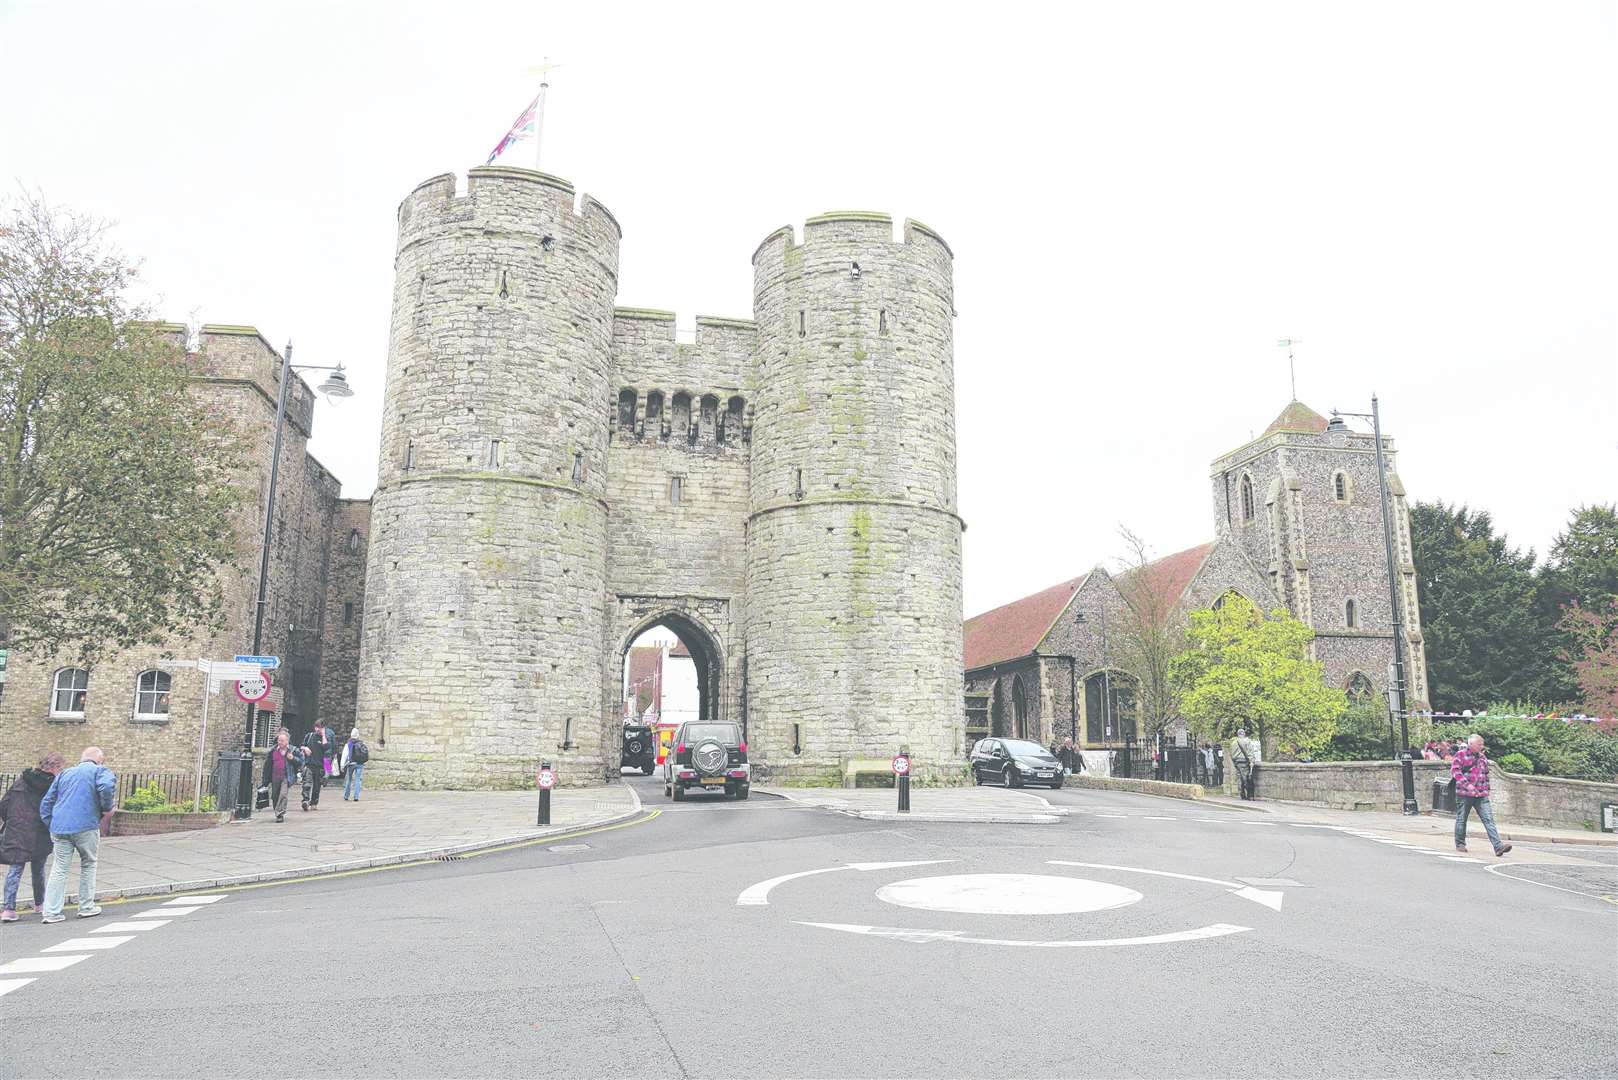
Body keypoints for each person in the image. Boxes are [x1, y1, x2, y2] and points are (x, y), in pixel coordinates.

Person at [39, 747, 117, 923]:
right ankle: (86, 907)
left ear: (82, 759)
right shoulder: (100, 771)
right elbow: (106, 787)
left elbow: (46, 802)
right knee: (88, 863)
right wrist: (106, 808)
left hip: (60, 828)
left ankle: (51, 912)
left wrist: (51, 823)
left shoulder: (64, 774)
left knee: (59, 868)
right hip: (85, 825)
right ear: (100, 760)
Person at [1, 752, 66, 921]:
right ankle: (40, 904)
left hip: (17, 831)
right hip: (40, 832)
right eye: (61, 768)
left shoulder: (21, 781)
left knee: (15, 870)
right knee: (38, 870)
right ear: (56, 767)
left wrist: (12, 821)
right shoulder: (53, 784)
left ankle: (8, 909)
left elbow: (4, 805)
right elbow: (55, 807)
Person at [1451, 734, 1512, 857]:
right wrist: (1467, 785)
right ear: (1471, 744)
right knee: (1462, 819)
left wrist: (1486, 790)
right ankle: (1460, 843)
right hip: (1464, 794)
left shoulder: (1483, 757)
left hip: (1481, 795)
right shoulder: (1460, 755)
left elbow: (1485, 775)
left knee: (1489, 820)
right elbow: (1455, 771)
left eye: (1481, 744)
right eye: (1479, 744)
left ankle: (1498, 846)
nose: (1481, 746)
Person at [261, 730, 300, 822]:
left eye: (282, 740)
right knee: (275, 795)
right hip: (275, 777)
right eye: (279, 740)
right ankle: (278, 811)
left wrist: (293, 758)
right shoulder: (273, 751)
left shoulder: (293, 750)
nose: (280, 742)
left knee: (283, 794)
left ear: (287, 741)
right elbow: (267, 765)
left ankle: (280, 813)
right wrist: (265, 780)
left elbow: (301, 761)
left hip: (286, 776)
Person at [301, 723, 333, 810]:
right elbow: (301, 746)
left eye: (320, 727)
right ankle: (305, 801)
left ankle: (314, 803)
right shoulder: (309, 736)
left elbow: (327, 753)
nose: (318, 729)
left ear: (324, 728)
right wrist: (305, 748)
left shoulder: (326, 739)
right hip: (309, 765)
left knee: (316, 787)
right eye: (316, 727)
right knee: (306, 784)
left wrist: (328, 772)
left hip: (320, 767)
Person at [340, 727, 369, 801]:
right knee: (358, 780)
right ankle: (356, 797)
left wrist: (342, 765)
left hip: (351, 764)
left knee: (349, 779)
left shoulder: (348, 744)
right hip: (359, 764)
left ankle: (346, 796)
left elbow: (344, 755)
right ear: (358, 735)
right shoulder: (361, 743)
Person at [1230, 728, 1260, 800]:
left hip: (1237, 762)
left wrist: (1234, 762)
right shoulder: (1247, 741)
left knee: (1240, 777)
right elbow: (1250, 752)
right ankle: (1248, 794)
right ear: (1244, 733)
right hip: (1244, 761)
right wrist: (1252, 761)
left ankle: (1242, 793)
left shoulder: (1233, 742)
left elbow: (1231, 754)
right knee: (1246, 778)